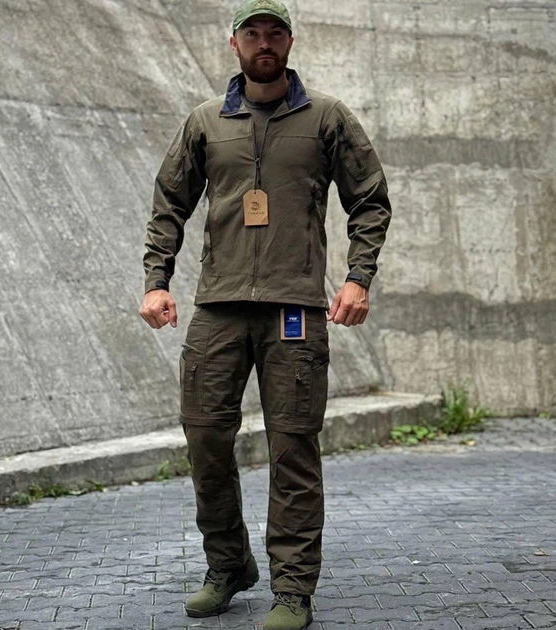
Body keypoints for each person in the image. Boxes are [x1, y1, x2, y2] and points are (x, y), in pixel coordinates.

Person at [140, 1, 391, 627]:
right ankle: (228, 565)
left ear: (290, 41)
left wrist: (358, 277)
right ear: (234, 43)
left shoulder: (327, 118)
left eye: (274, 32)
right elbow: (169, 202)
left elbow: (369, 200)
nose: (264, 42)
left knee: (293, 449)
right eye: (252, 33)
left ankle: (293, 589)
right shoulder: (206, 121)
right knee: (204, 438)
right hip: (218, 307)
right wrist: (156, 281)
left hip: (294, 310)